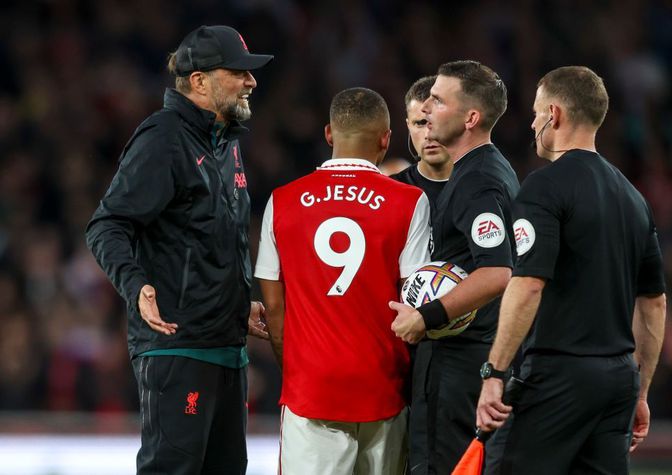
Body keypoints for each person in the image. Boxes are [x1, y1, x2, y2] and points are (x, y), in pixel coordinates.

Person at [85, 25, 273, 475]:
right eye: (238, 72)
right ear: (199, 81)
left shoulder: (224, 142)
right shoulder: (164, 138)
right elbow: (107, 225)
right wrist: (137, 286)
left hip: (226, 348)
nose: (251, 81)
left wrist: (234, 302)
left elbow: (205, 240)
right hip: (178, 347)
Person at [476, 66, 667, 474]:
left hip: (557, 376)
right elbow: (654, 303)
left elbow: (527, 284)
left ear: (554, 114)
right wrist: (641, 392)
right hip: (617, 380)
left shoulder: (543, 187)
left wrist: (495, 372)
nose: (531, 123)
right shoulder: (634, 199)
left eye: (534, 113)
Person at [255, 87, 431, 475]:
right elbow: (415, 301)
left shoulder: (282, 200)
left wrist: (298, 371)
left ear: (329, 134)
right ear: (386, 138)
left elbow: (275, 308)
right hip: (382, 388)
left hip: (311, 391)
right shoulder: (410, 201)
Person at [390, 60, 520, 475]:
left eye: (438, 101)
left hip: (456, 363)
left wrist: (424, 317)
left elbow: (497, 272)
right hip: (465, 359)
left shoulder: (477, 180)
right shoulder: (482, 171)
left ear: (471, 117)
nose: (427, 110)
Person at [391, 75, 452, 209]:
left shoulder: (487, 186)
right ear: (408, 126)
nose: (429, 135)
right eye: (420, 123)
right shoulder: (389, 193)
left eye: (437, 122)